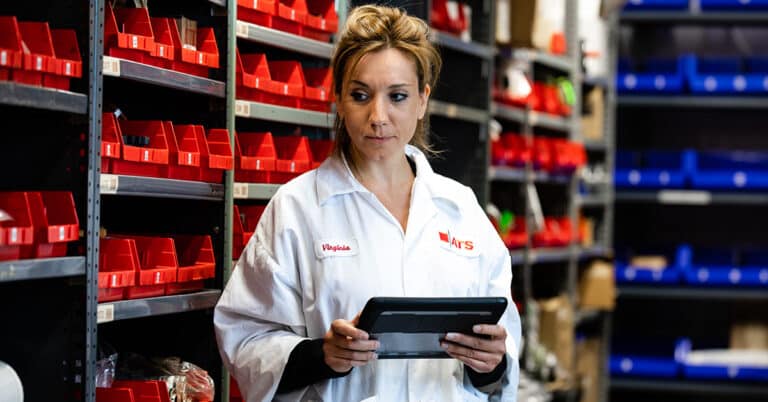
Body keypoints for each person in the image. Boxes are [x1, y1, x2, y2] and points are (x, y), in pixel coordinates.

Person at [214, 4, 521, 401]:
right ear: (339, 100)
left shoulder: (461, 209)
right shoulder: (297, 208)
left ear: (422, 100)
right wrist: (322, 355)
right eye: (360, 95)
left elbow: (504, 349)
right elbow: (245, 337)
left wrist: (491, 362)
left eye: (397, 96)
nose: (378, 116)